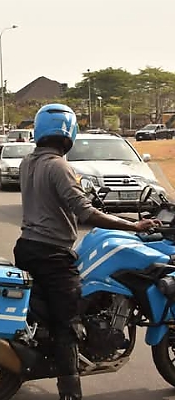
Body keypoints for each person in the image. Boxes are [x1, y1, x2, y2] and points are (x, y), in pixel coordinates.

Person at [13, 103, 160, 400]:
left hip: (28, 246)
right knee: (68, 322)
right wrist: (134, 226)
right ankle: (70, 391)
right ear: (70, 133)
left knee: (53, 312)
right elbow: (85, 212)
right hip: (52, 254)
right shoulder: (59, 166)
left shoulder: (29, 162)